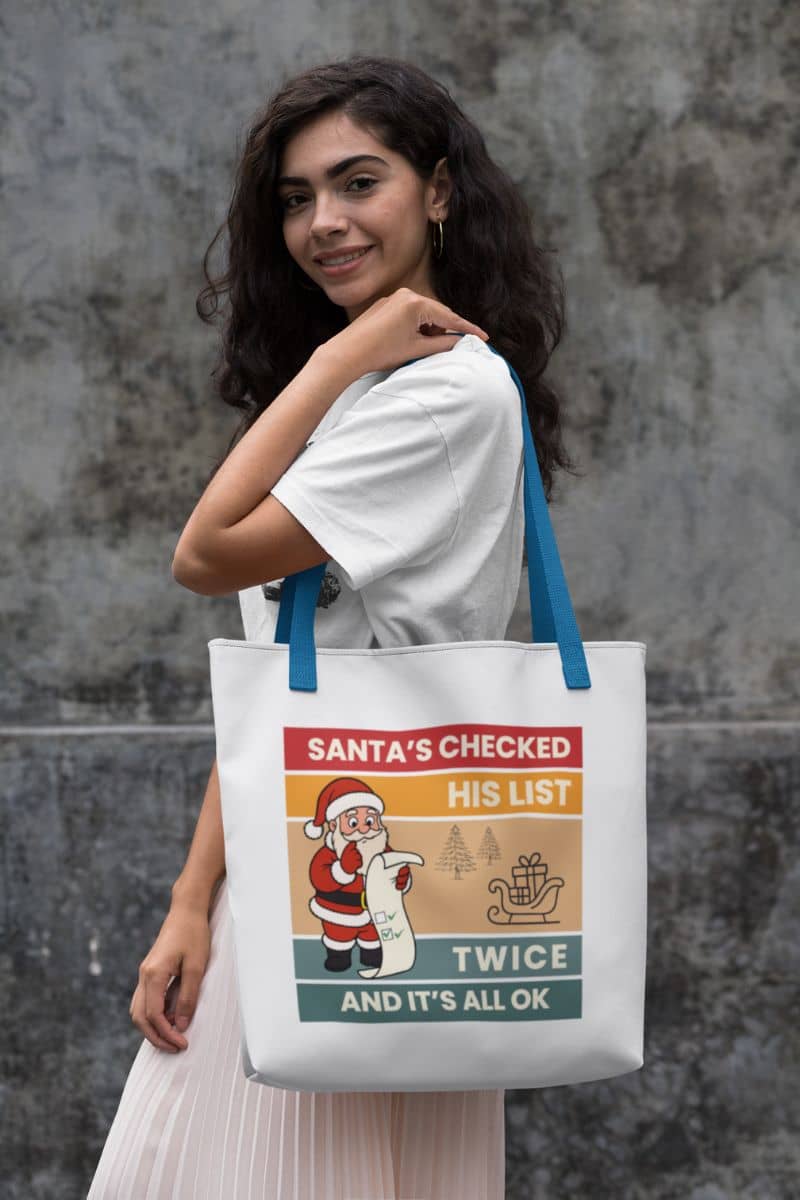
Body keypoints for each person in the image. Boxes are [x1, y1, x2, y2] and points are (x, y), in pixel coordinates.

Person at [86, 52, 577, 1199]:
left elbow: (205, 554)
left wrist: (341, 352)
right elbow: (289, 682)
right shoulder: (375, 388)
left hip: (337, 899)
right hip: (302, 872)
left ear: (438, 191)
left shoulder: (439, 391)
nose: (323, 222)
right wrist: (192, 904)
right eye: (296, 198)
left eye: (359, 183)